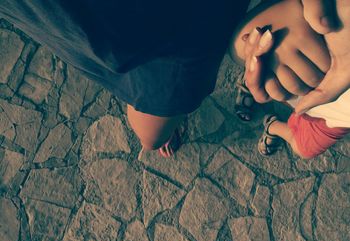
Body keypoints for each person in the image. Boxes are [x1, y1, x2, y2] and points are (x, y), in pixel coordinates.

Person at [0, 0, 335, 157]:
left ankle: (169, 122)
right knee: (151, 134)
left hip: (178, 30)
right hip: (107, 35)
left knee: (151, 135)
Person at [231, 0, 350, 158]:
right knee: (281, 79)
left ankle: (272, 125)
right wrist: (295, 11)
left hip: (335, 117)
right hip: (326, 87)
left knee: (302, 148)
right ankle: (254, 77)